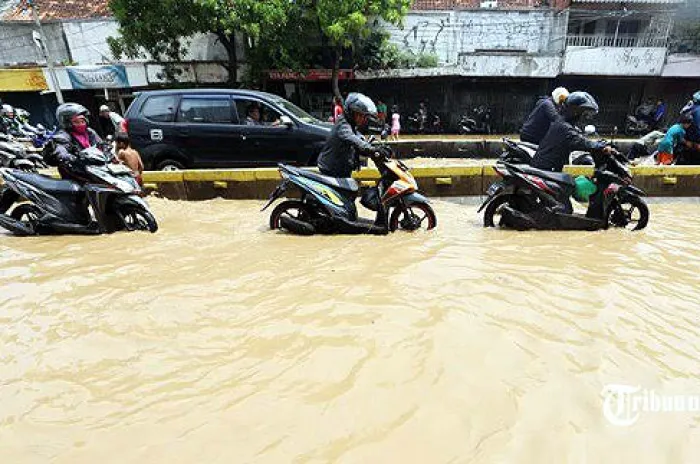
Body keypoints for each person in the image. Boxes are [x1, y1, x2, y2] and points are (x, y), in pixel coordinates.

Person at [531, 91, 614, 173]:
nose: (585, 116)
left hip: (549, 166)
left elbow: (578, 138)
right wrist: (601, 146)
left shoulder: (563, 123)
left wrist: (598, 143)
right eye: (583, 112)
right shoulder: (564, 127)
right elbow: (580, 142)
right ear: (574, 111)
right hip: (546, 168)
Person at [317, 92, 385, 179]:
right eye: (359, 115)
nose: (362, 119)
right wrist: (372, 149)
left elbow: (359, 141)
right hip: (332, 173)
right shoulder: (343, 124)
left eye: (364, 116)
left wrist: (377, 148)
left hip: (342, 171)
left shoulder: (352, 125)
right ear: (351, 112)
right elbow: (352, 138)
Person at [51, 103, 104, 182]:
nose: (81, 124)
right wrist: (71, 157)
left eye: (82, 121)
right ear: (68, 123)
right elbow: (60, 150)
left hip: (95, 169)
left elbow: (101, 144)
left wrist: (109, 152)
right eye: (76, 122)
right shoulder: (63, 136)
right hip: (75, 172)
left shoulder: (90, 132)